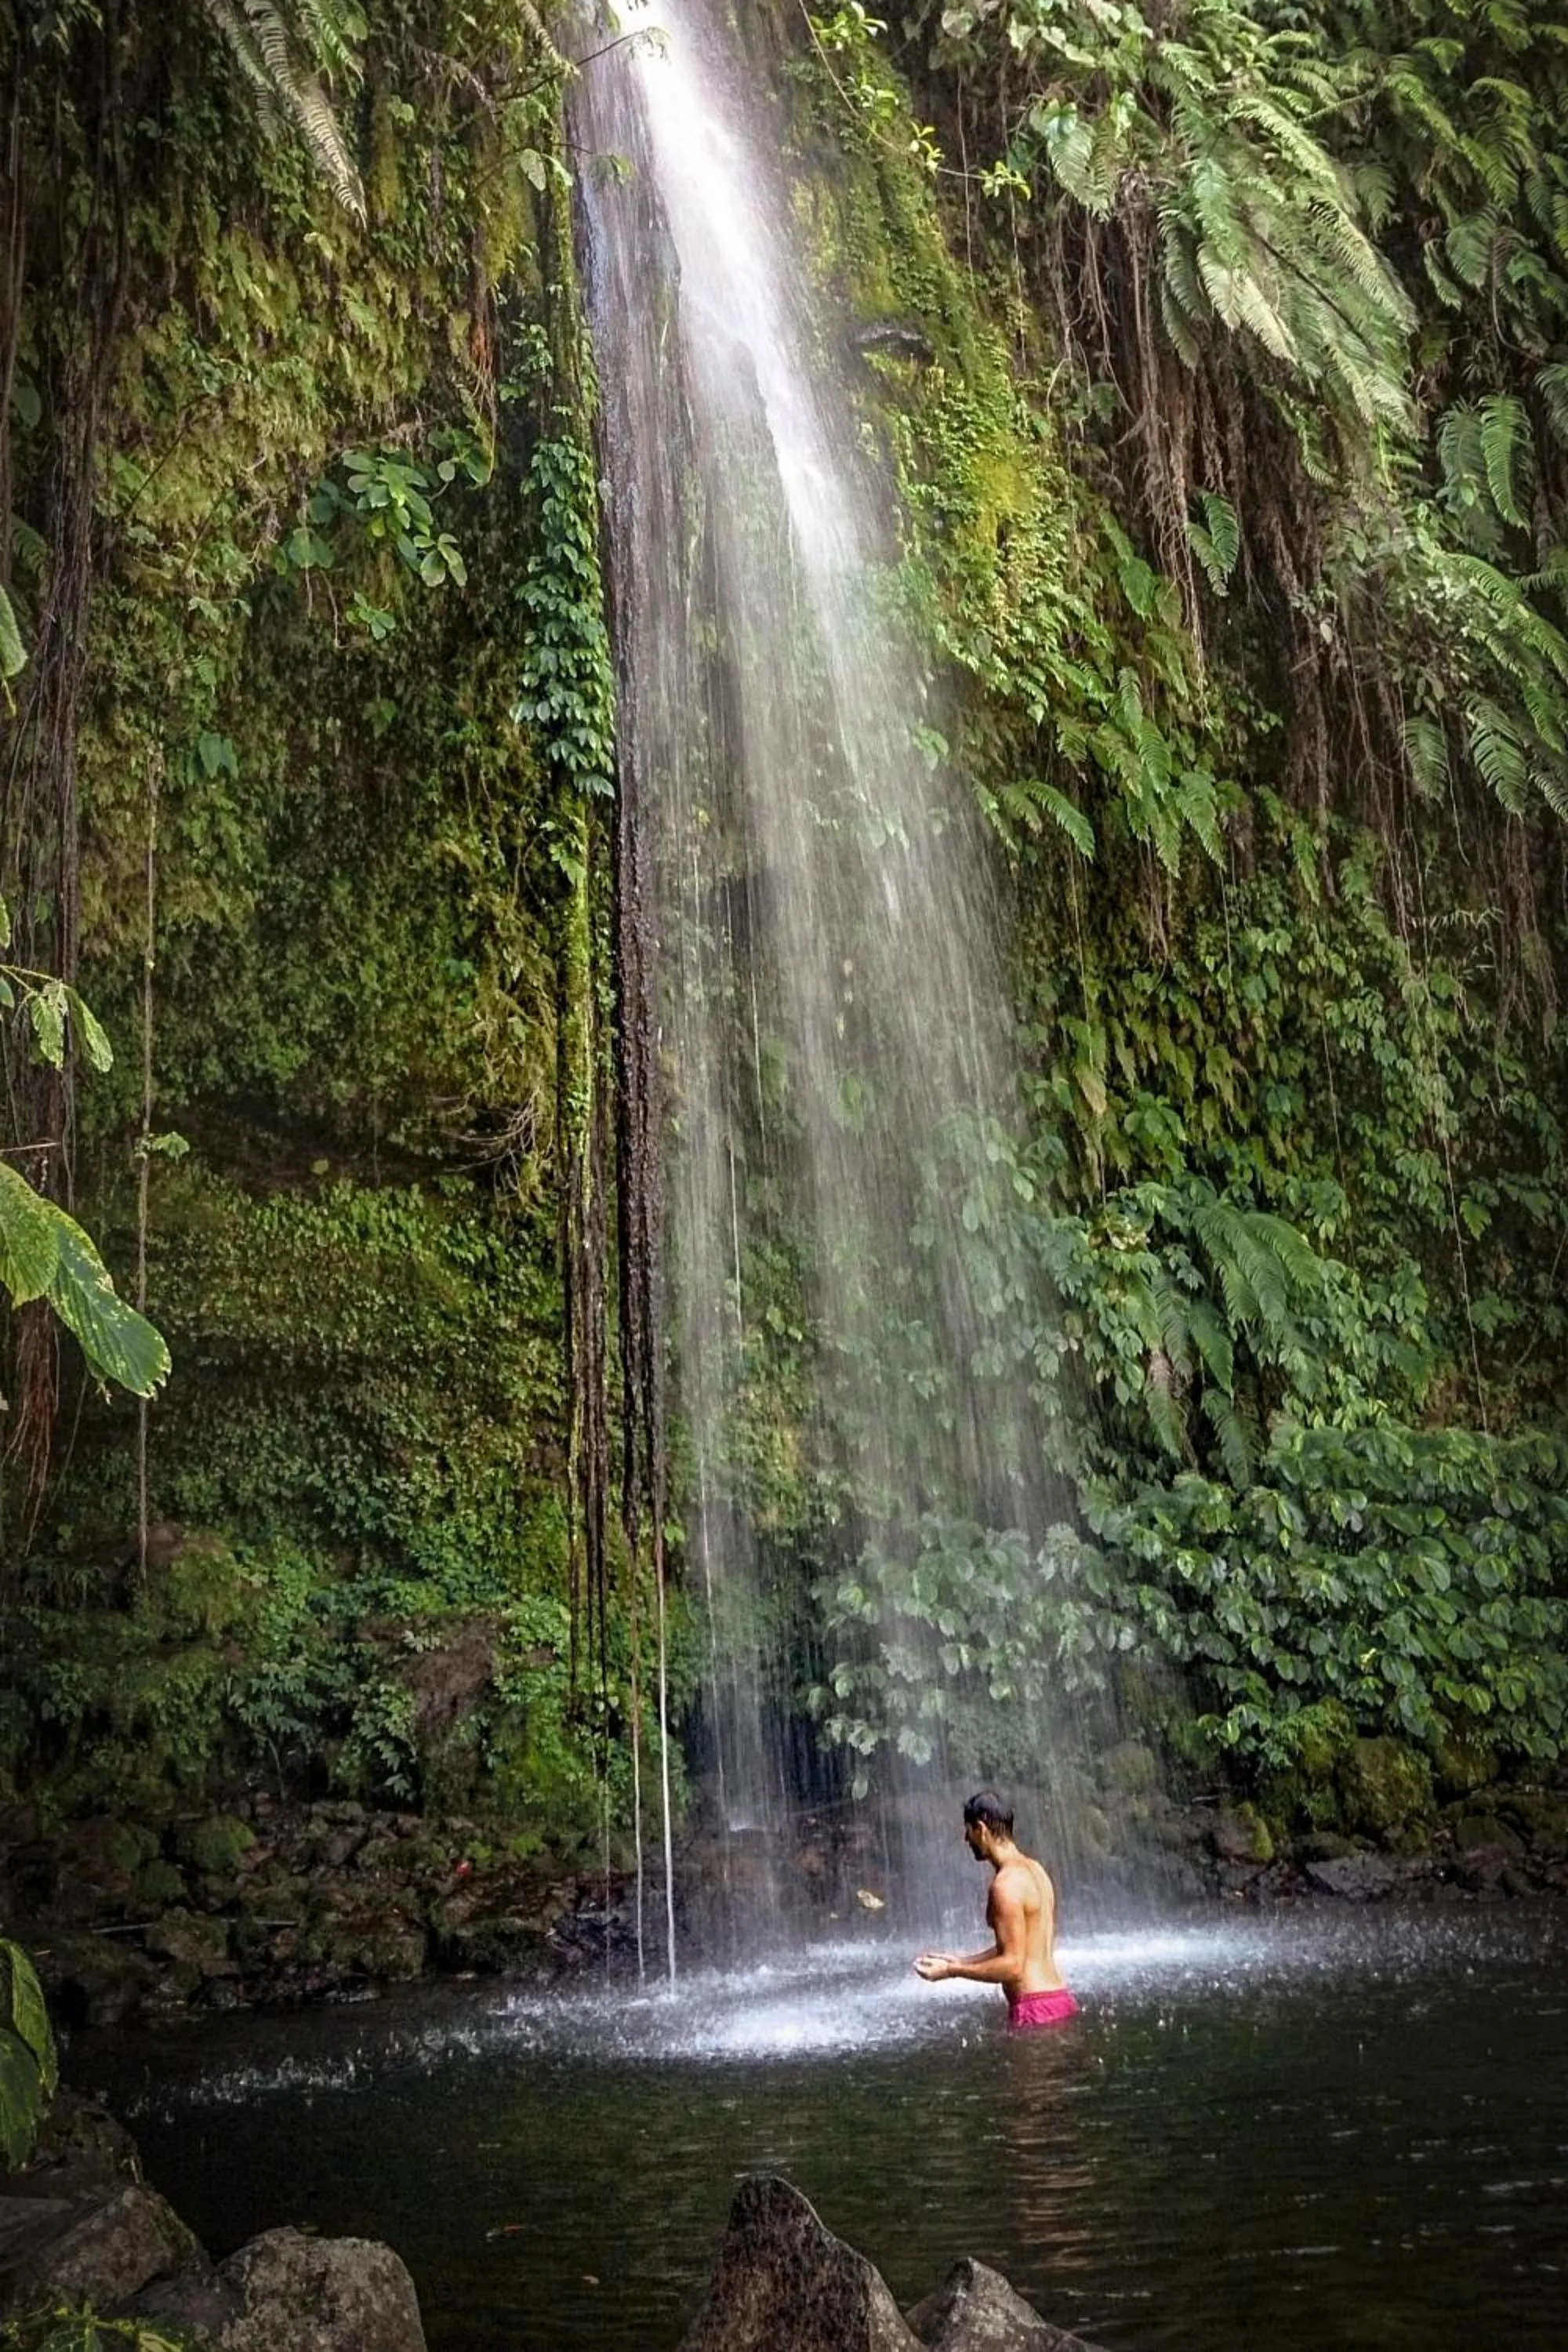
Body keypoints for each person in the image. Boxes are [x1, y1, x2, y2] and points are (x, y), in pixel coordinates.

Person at [913, 1789, 1079, 2030]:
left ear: (981, 1829)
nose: (966, 1839)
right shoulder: (1036, 1871)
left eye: (968, 1830)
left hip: (1034, 2008)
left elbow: (1013, 1966)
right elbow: (1020, 1944)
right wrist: (962, 1960)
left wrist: (952, 1971)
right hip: (1060, 2000)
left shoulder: (1004, 1886)